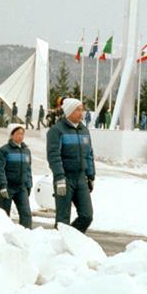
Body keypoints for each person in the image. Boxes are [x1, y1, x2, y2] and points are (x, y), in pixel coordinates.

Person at [46, 98, 95, 233]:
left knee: (87, 215)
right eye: (78, 110)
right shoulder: (57, 130)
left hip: (81, 179)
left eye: (82, 110)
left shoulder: (84, 130)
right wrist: (60, 177)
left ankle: (71, 239)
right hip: (65, 179)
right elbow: (53, 156)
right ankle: (58, 246)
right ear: (69, 111)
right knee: (63, 219)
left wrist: (91, 175)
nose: (82, 113)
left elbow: (89, 154)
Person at [0, 123, 33, 228]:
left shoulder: (26, 151)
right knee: (4, 215)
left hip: (21, 188)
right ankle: (1, 238)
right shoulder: (3, 151)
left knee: (26, 214)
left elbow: (28, 170)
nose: (20, 136)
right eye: (17, 133)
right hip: (7, 188)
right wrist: (2, 185)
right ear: (11, 135)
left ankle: (25, 237)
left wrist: (29, 185)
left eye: (22, 134)